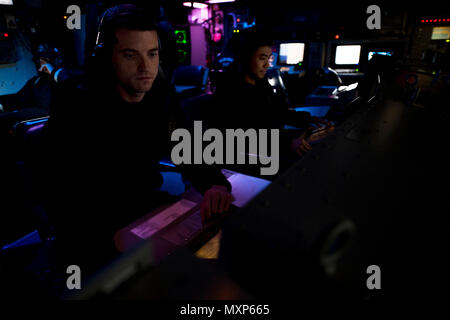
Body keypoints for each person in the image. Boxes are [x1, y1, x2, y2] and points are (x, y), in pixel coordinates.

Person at [39, 4, 233, 275]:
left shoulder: (160, 98)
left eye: (152, 54)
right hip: (94, 232)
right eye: (131, 55)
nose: (146, 67)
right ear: (106, 58)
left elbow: (189, 148)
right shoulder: (77, 108)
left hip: (147, 208)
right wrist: (107, 238)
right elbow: (57, 197)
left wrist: (214, 183)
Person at [211, 30, 334, 174]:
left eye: (268, 59)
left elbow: (278, 112)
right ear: (245, 57)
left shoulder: (261, 83)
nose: (267, 65)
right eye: (262, 58)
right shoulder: (230, 91)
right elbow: (245, 135)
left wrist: (308, 119)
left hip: (275, 143)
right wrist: (287, 144)